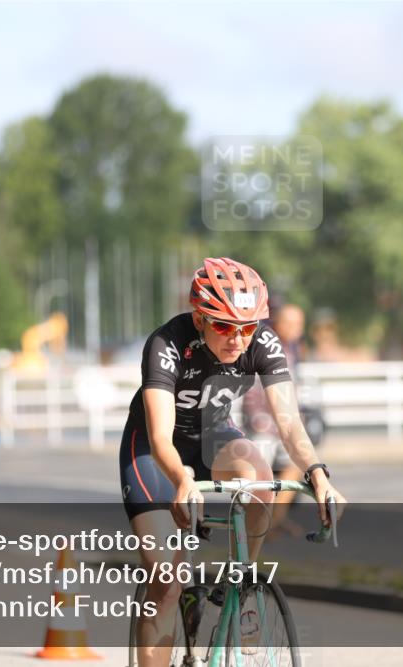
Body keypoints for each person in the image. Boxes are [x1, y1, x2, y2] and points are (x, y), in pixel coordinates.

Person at [119, 257, 345, 667]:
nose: (238, 339)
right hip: (154, 452)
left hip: (214, 436)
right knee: (166, 584)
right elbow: (159, 436)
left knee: (258, 474)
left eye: (248, 327)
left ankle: (243, 581)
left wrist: (317, 473)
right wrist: (181, 481)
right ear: (199, 317)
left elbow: (290, 424)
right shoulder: (167, 344)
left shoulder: (263, 343)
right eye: (224, 325)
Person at [242, 303, 326, 538]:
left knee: (294, 467)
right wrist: (270, 426)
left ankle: (272, 521)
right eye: (289, 323)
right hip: (264, 427)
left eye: (299, 324)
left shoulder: (292, 350)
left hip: (280, 427)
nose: (295, 328)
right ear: (277, 323)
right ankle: (258, 527)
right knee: (261, 480)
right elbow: (254, 394)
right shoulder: (267, 348)